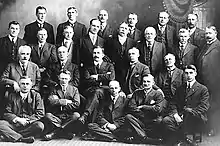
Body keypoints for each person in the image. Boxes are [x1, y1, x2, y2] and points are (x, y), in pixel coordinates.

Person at [162, 65, 209, 146]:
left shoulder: (202, 89)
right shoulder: (180, 88)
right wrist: (175, 114)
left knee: (188, 119)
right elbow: (173, 103)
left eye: (191, 73)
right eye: (186, 73)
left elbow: (204, 106)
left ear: (195, 74)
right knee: (166, 120)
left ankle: (181, 139)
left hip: (196, 116)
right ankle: (183, 138)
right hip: (181, 115)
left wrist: (188, 112)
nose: (189, 75)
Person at [0, 76, 44, 143]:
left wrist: (27, 121)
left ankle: (11, 135)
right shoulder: (12, 95)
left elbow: (40, 113)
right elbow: (6, 113)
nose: (25, 86)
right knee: (1, 124)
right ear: (19, 85)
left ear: (31, 86)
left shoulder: (36, 95)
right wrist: (18, 119)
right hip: (15, 123)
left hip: (29, 124)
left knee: (39, 126)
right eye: (23, 84)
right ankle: (22, 138)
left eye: (27, 84)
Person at [78, 46, 115, 125]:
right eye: (94, 53)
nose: (96, 55)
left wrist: (97, 76)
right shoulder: (88, 66)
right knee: (96, 95)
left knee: (97, 94)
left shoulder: (109, 65)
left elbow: (111, 77)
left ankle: (85, 115)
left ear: (102, 55)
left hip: (105, 90)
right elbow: (87, 80)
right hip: (91, 89)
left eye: (98, 53)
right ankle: (92, 126)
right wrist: (104, 76)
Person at [123, 74, 164, 144]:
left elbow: (157, 109)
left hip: (152, 120)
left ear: (153, 83)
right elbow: (131, 107)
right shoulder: (137, 93)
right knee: (128, 117)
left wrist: (143, 107)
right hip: (139, 120)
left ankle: (139, 136)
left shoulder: (158, 94)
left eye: (148, 81)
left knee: (159, 120)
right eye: (144, 81)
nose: (146, 83)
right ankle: (144, 138)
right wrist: (147, 111)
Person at [42, 71, 80, 141]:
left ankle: (55, 132)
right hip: (56, 116)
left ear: (70, 79)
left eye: (66, 78)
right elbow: (50, 101)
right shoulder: (53, 89)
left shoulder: (74, 89)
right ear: (58, 78)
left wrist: (59, 103)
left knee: (76, 115)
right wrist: (65, 101)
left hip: (68, 116)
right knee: (47, 115)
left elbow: (76, 104)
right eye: (62, 78)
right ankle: (64, 132)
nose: (64, 81)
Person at [196, 26, 220, 136]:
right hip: (204, 81)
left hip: (215, 83)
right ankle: (206, 127)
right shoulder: (205, 45)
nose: (207, 35)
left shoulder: (218, 46)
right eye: (206, 33)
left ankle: (213, 129)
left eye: (210, 33)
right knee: (205, 105)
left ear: (215, 33)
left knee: (214, 106)